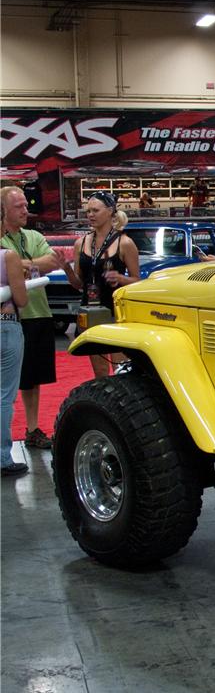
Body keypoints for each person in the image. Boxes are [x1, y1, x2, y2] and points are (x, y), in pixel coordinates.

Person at [0, 186, 60, 449]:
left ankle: (33, 428)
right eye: (19, 206)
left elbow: (53, 261)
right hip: (12, 316)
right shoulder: (5, 239)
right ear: (3, 210)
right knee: (7, 385)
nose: (26, 210)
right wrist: (30, 263)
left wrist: (19, 264)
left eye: (26, 205)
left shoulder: (33, 235)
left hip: (38, 313)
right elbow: (43, 262)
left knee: (33, 377)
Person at [64, 191, 140, 378]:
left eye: (95, 210)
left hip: (116, 312)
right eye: (88, 211)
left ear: (110, 212)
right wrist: (66, 269)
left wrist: (122, 279)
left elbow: (138, 281)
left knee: (121, 369)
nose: (90, 215)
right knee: (99, 371)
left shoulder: (125, 243)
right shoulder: (80, 243)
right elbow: (79, 284)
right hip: (90, 311)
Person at [1, 246, 29, 476]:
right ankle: (2, 457)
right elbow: (21, 299)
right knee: (3, 396)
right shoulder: (7, 256)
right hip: (5, 325)